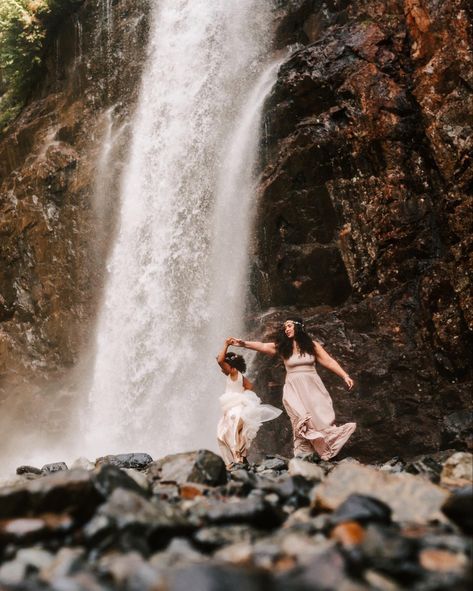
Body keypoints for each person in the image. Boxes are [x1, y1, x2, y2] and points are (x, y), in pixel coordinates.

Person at [229, 317, 356, 460]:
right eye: (285, 327)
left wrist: (344, 375)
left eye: (289, 326)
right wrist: (243, 343)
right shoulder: (284, 347)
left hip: (313, 387)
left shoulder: (312, 346)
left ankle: (319, 454)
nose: (286, 329)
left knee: (319, 419)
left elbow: (329, 361)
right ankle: (303, 456)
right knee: (300, 419)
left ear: (299, 327)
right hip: (293, 389)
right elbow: (263, 346)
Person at [216, 337, 282, 468]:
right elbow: (249, 387)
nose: (223, 369)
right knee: (233, 432)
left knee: (225, 433)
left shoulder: (232, 373)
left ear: (231, 365)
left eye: (226, 365)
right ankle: (239, 459)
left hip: (234, 408)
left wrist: (226, 345)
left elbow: (219, 360)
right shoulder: (239, 376)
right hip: (236, 406)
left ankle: (234, 462)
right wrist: (243, 395)